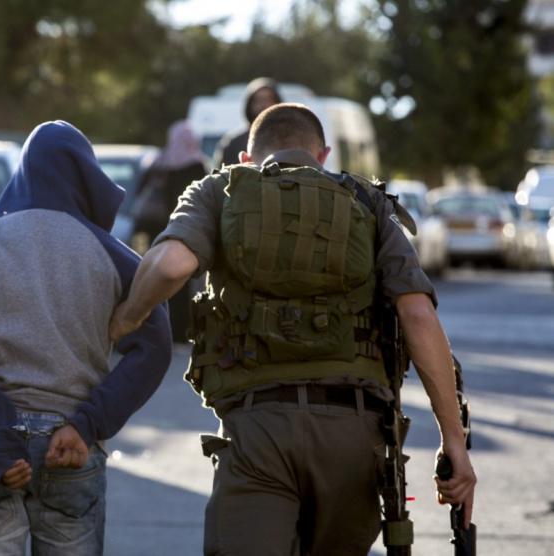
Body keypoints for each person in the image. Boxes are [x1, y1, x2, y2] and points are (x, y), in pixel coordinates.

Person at [109, 103, 476, 555]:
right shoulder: (367, 202)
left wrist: (126, 319)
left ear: (246, 158)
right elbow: (417, 314)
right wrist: (453, 439)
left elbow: (169, 265)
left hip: (258, 430)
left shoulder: (219, 191)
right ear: (322, 156)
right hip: (353, 434)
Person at [0, 120, 172, 555]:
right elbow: (154, 349)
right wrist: (87, 424)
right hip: (71, 447)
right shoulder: (115, 257)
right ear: (86, 178)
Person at [130, 120, 209, 342]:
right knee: (179, 281)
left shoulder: (158, 162)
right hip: (183, 231)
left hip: (152, 231)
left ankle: (148, 325)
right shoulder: (196, 166)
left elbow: (139, 195)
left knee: (150, 276)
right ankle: (178, 329)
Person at [211, 77, 281, 169]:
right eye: (258, 100)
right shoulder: (233, 143)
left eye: (268, 99)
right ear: (250, 104)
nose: (263, 105)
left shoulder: (288, 138)